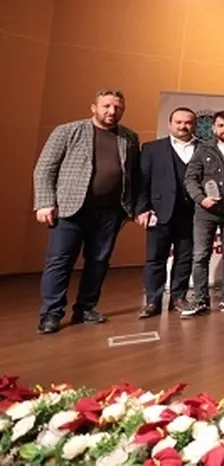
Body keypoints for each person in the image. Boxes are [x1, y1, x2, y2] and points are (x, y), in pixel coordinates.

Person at [33, 89, 141, 335]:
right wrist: (44, 202)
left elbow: (133, 176)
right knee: (59, 262)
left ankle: (85, 307)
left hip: (109, 213)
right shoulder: (67, 131)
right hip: (69, 209)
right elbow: (45, 169)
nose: (112, 112)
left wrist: (131, 208)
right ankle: (51, 313)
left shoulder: (130, 138)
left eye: (117, 107)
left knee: (99, 262)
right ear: (93, 107)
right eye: (106, 106)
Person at [136, 107, 199, 318]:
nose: (183, 126)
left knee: (185, 258)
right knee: (155, 258)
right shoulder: (152, 148)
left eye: (188, 122)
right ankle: (153, 300)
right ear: (170, 124)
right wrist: (142, 209)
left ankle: (179, 297)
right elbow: (142, 182)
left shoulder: (204, 149)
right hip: (159, 212)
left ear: (194, 125)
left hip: (192, 215)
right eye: (179, 122)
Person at [180, 110, 224, 317]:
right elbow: (190, 178)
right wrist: (201, 199)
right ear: (214, 128)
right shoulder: (202, 149)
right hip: (205, 212)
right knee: (200, 256)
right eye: (221, 125)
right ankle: (200, 299)